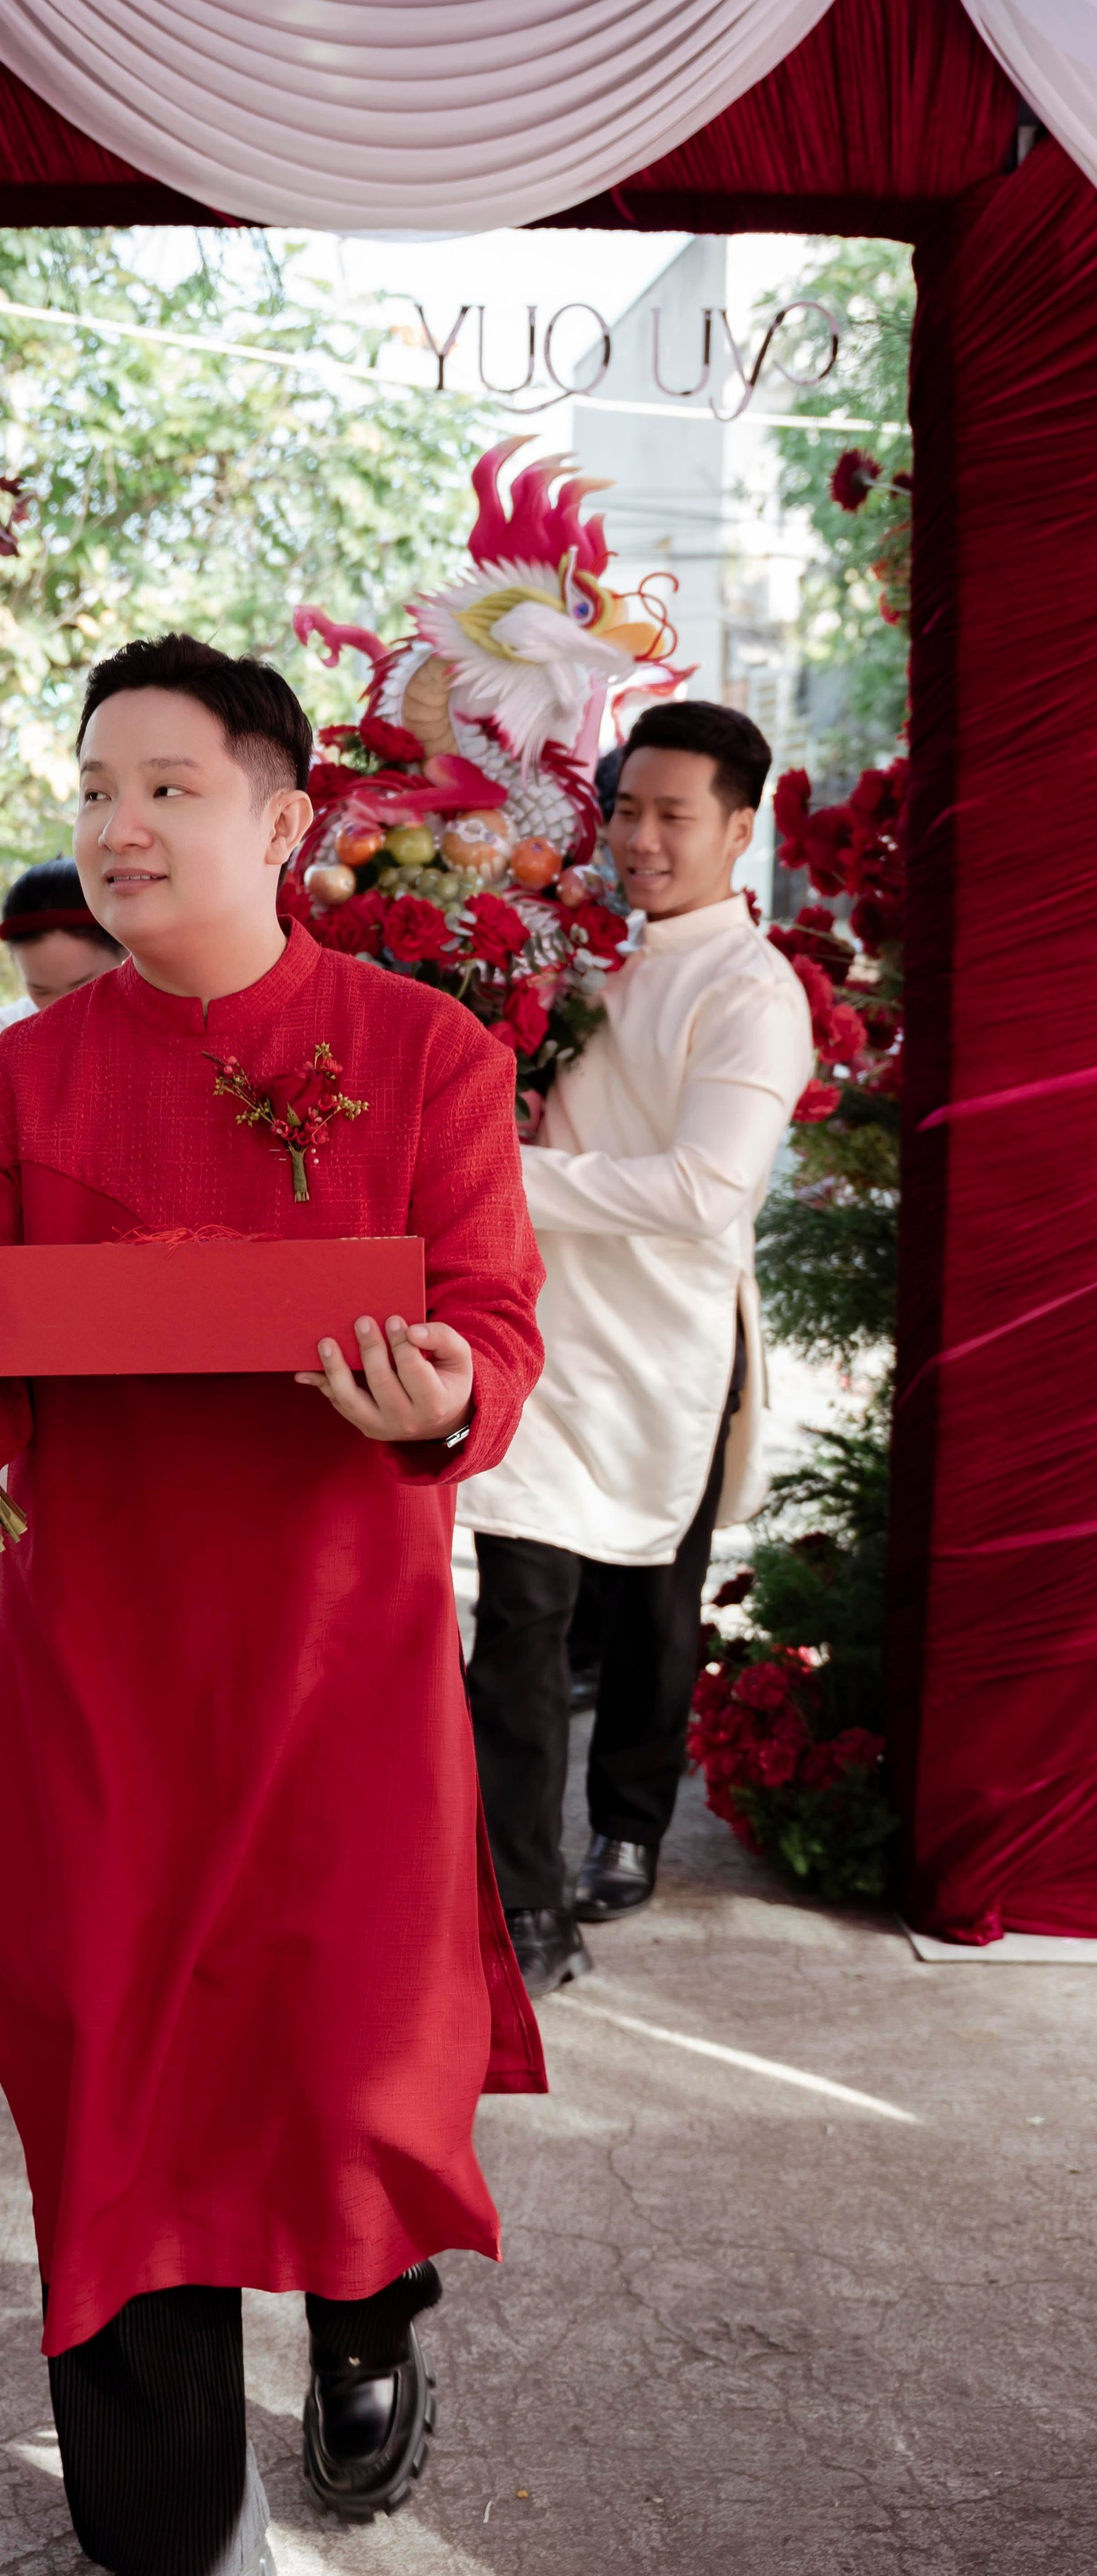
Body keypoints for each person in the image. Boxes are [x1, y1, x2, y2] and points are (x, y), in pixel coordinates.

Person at [0, 633, 546, 2576]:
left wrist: (439, 1393)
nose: (120, 821)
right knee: (122, 2103)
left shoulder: (419, 1056)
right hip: (106, 1693)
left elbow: (494, 1331)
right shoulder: (4, 1096)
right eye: (94, 785)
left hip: (341, 1688)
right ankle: (158, 2550)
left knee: (342, 2064)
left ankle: (363, 2321)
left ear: (284, 816)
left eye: (168, 782)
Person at [462, 702, 815, 1998]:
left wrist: (510, 1173)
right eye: (626, 810)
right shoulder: (579, 951)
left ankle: (629, 1824)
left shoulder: (751, 991)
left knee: (651, 1607)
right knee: (521, 1612)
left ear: (738, 825)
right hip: (537, 1325)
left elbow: (705, 1190)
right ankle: (520, 1895)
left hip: (662, 1343)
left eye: (674, 816)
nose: (642, 838)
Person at [0, 856, 125, 1052]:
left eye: (83, 988)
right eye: (41, 991)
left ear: (124, 948)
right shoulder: (0, 1036)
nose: (61, 1010)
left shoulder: (160, 1026)